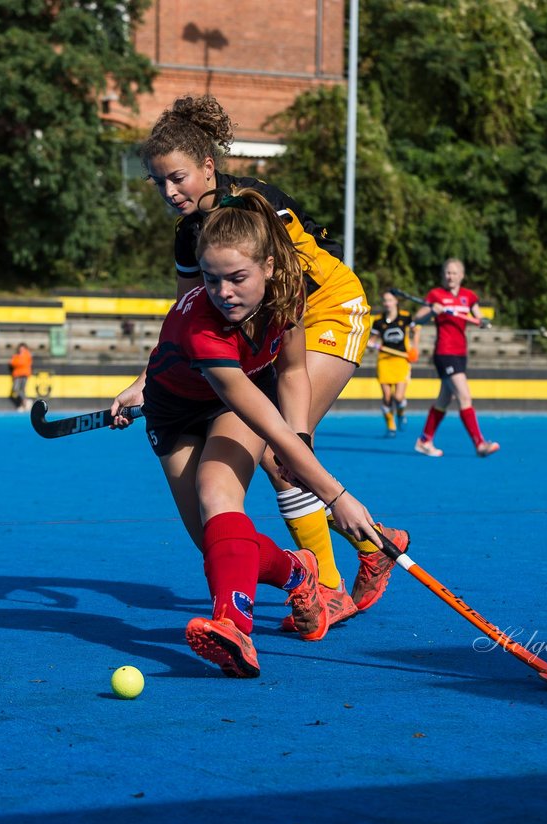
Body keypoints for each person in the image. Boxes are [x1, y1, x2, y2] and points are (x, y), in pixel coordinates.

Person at [116, 94, 409, 626]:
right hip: (273, 322)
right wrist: (146, 380)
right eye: (158, 182)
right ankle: (365, 553)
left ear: (209, 166)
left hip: (324, 310)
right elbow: (188, 310)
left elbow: (285, 288)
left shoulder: (254, 207)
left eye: (177, 177)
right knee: (282, 458)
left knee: (284, 453)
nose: (169, 191)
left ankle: (331, 582)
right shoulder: (191, 234)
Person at [109, 187, 381, 678]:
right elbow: (265, 422)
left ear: (271, 269)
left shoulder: (289, 292)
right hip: (174, 414)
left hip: (234, 402)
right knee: (216, 545)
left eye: (236, 278)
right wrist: (336, 496)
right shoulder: (204, 329)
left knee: (218, 497)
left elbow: (293, 373)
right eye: (211, 280)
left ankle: (233, 628)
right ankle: (300, 572)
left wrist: (302, 439)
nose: (224, 292)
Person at [411, 258, 500, 458]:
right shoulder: (436, 295)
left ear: (461, 275)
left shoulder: (469, 296)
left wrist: (484, 322)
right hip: (444, 352)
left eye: (454, 273)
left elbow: (480, 318)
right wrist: (431, 311)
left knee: (444, 398)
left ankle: (425, 440)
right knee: (464, 396)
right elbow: (417, 319)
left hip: (461, 353)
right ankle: (479, 443)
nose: (450, 276)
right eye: (447, 273)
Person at [368, 289, 420, 436]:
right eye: (385, 301)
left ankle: (401, 413)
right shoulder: (378, 320)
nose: (387, 304)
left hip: (401, 359)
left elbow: (416, 330)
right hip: (384, 360)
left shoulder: (405, 317)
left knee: (398, 397)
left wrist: (414, 348)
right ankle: (391, 426)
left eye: (390, 300)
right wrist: (372, 344)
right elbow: (372, 340)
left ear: (396, 301)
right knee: (387, 397)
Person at [9, 343, 33, 411]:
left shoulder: (27, 355)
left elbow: (21, 363)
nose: (21, 349)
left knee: (22, 389)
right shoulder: (16, 355)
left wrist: (17, 362)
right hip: (17, 374)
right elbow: (12, 363)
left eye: (23, 348)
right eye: (20, 348)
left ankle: (24, 404)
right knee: (16, 389)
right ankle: (25, 402)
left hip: (24, 374)